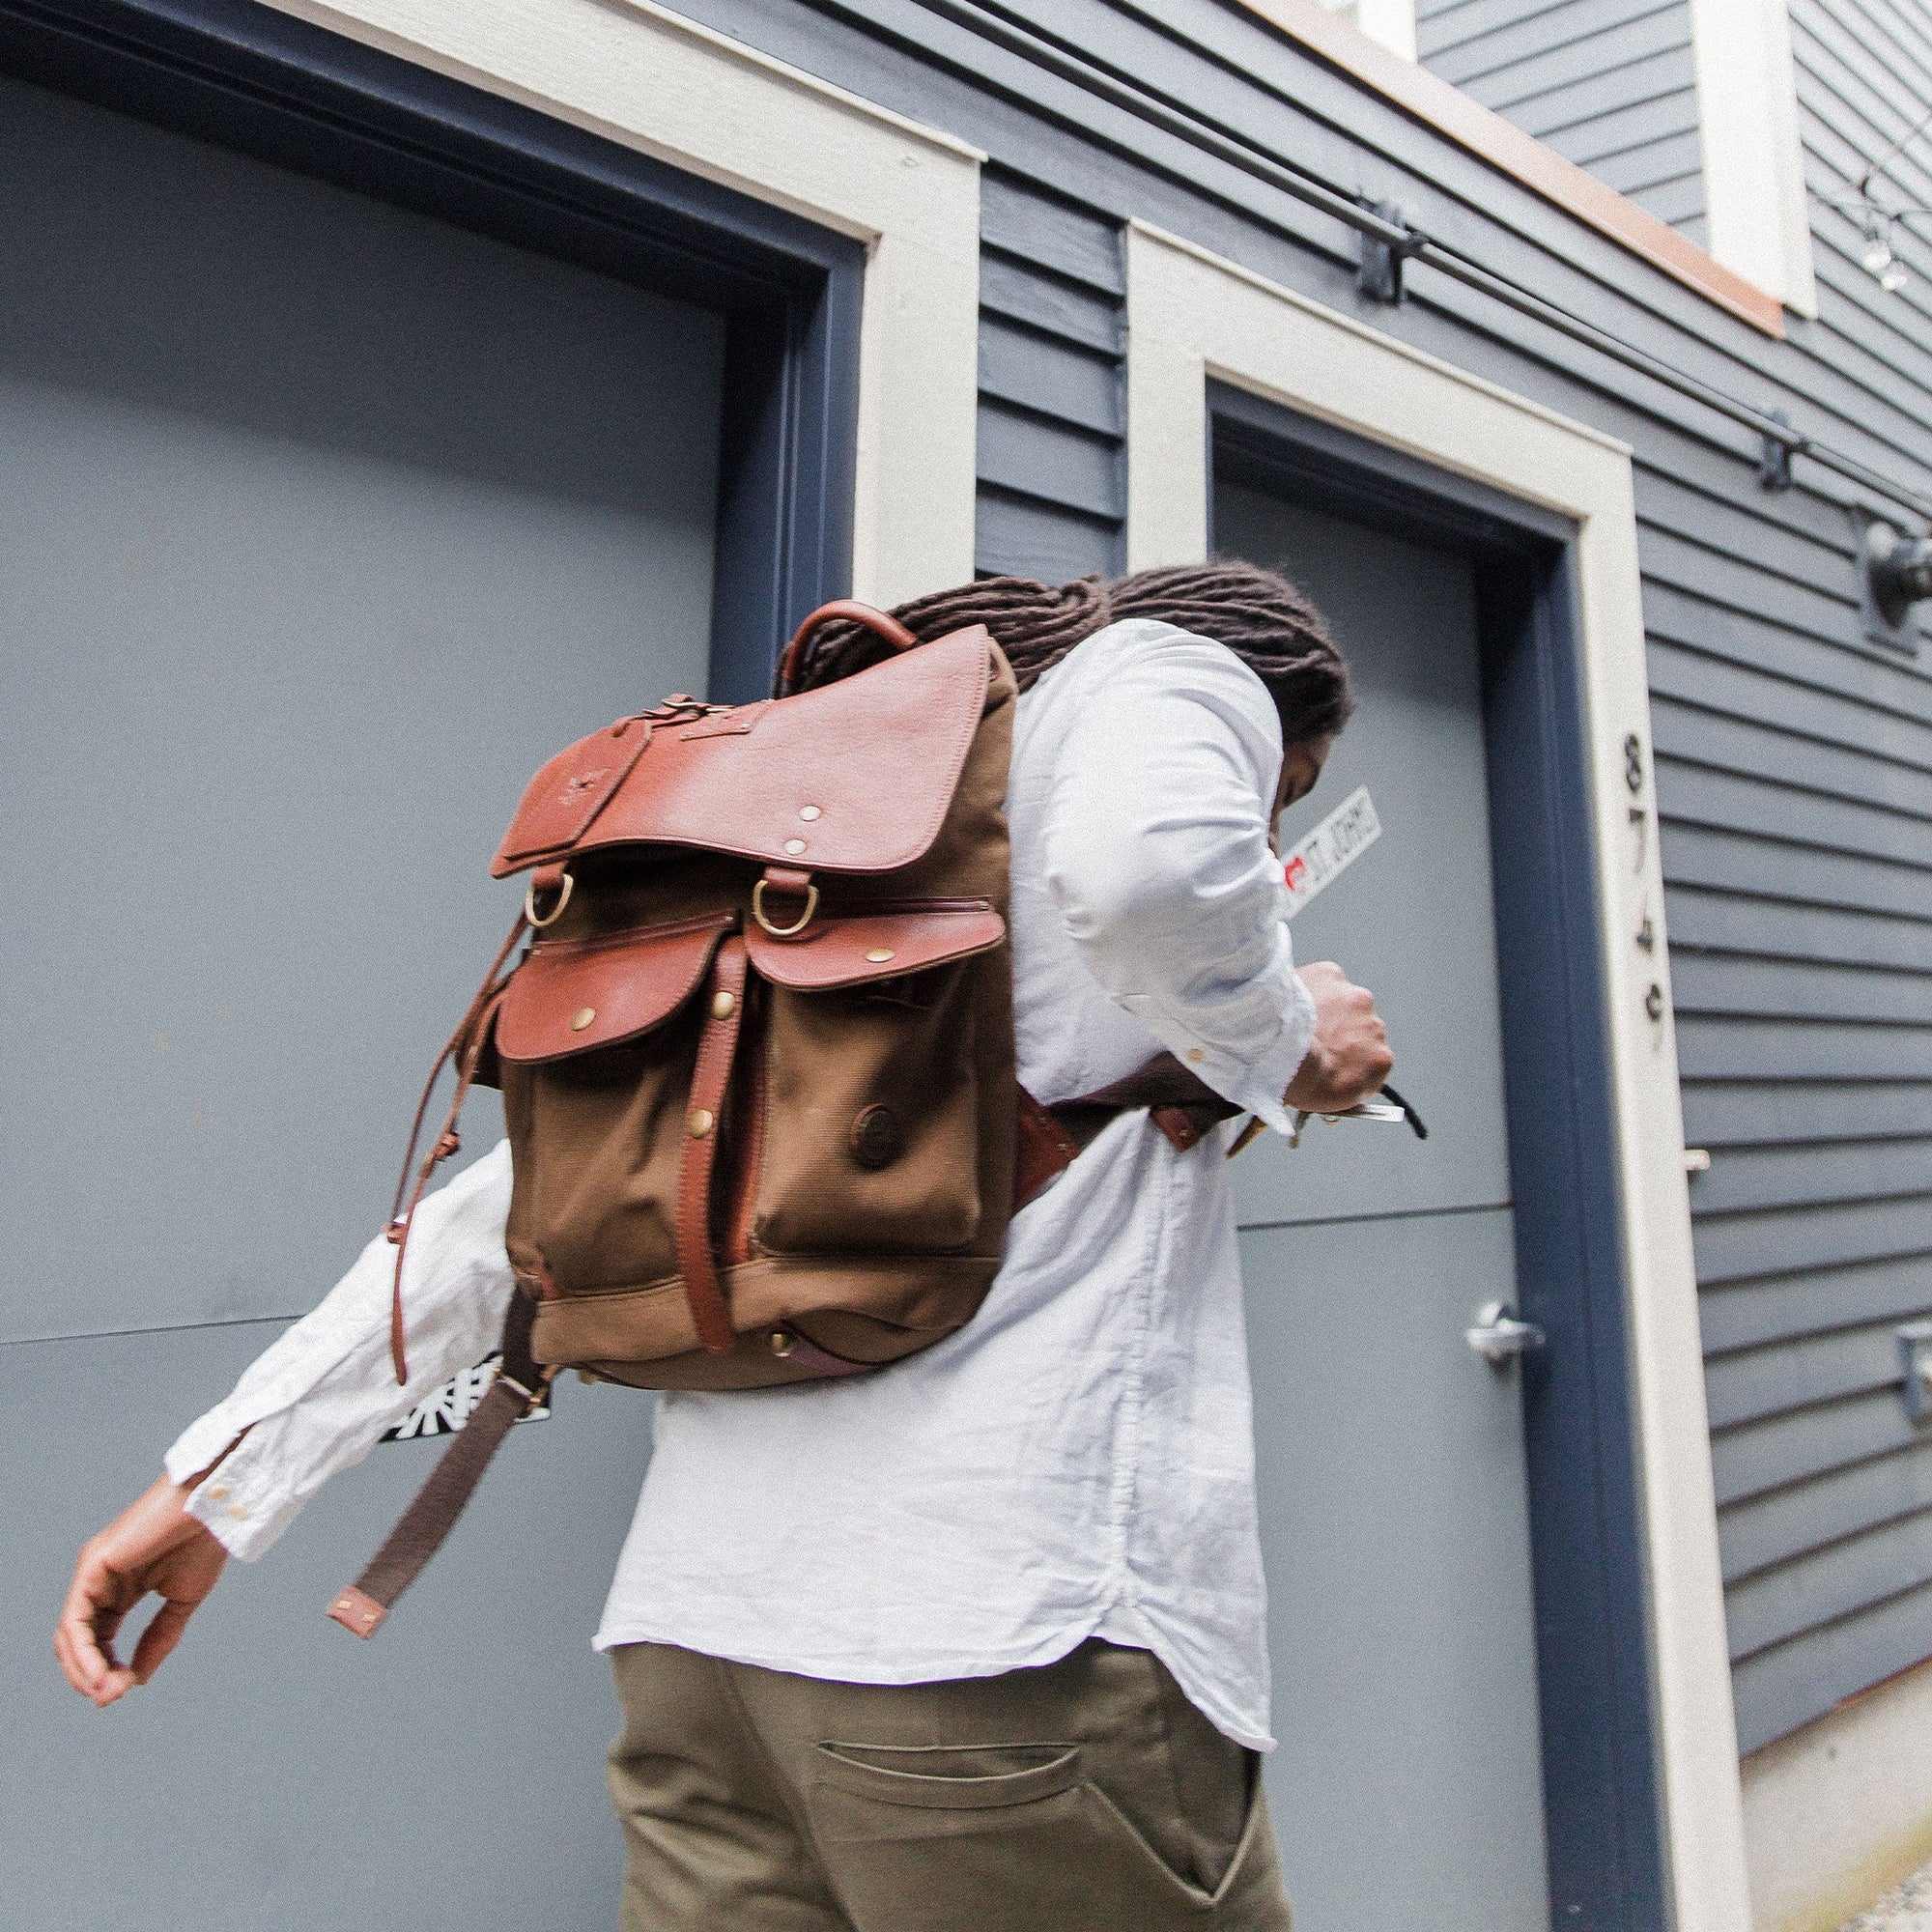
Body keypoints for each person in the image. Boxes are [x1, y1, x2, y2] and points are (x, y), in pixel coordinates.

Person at [56, 561, 1393, 1931]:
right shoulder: (1165, 668)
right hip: (1003, 1653)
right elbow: (1153, 873)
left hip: (704, 1664)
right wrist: (1289, 1041)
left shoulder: (866, 845)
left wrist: (217, 1484)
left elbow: (523, 1206)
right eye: (1281, 790)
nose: (1264, 835)